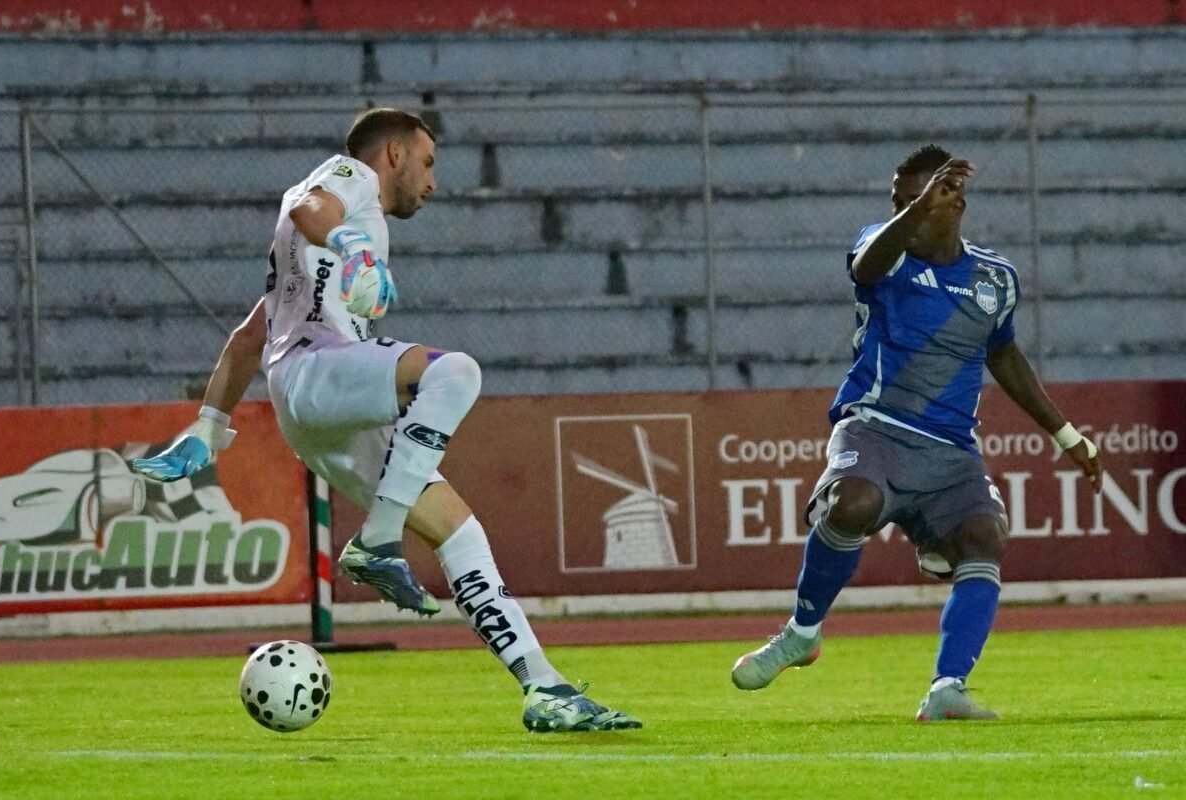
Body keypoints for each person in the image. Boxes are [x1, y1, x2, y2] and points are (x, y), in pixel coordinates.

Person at [134, 107, 640, 733]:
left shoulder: (308, 246)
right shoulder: (349, 180)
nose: (432, 181)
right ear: (394, 154)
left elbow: (250, 333)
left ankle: (547, 690)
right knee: (455, 373)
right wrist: (353, 248)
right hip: (318, 371)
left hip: (313, 402)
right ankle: (377, 539)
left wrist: (210, 424)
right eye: (427, 163)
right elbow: (308, 208)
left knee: (460, 533)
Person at [730, 144, 1102, 721]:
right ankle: (802, 634)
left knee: (985, 538)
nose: (901, 210)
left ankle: (947, 687)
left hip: (950, 448)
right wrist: (911, 212)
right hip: (873, 426)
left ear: (953, 205)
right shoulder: (886, 251)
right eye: (899, 200)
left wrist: (1066, 435)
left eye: (918, 200)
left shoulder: (995, 279)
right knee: (853, 503)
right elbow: (864, 268)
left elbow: (1003, 357)